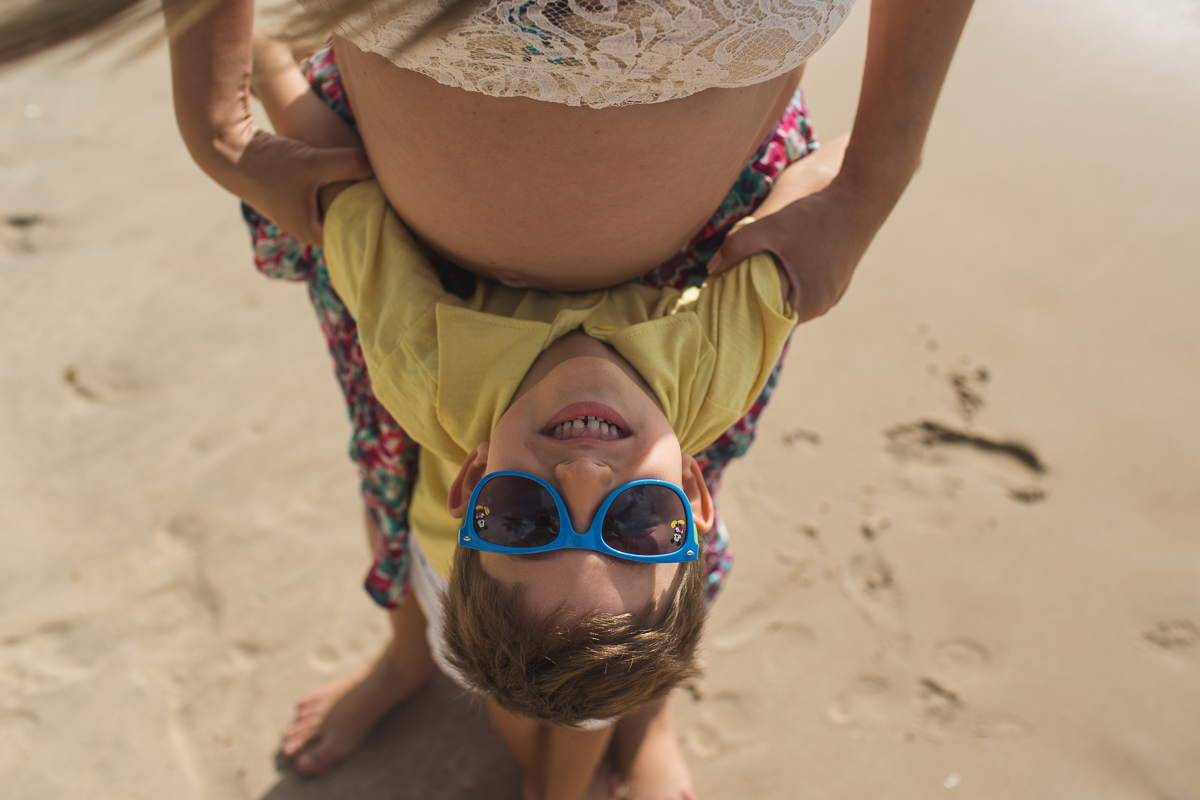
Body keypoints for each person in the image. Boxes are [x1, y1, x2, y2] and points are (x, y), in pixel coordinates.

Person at [0, 0, 976, 794]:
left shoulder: (422, 364)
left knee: (422, 514)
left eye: (522, 514)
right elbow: (796, 226)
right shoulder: (704, 382)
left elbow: (349, 213)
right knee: (408, 523)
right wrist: (857, 184)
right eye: (638, 519)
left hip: (420, 257)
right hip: (682, 259)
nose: (586, 471)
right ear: (691, 496)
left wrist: (268, 86)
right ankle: (425, 657)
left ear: (472, 480)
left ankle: (642, 707)